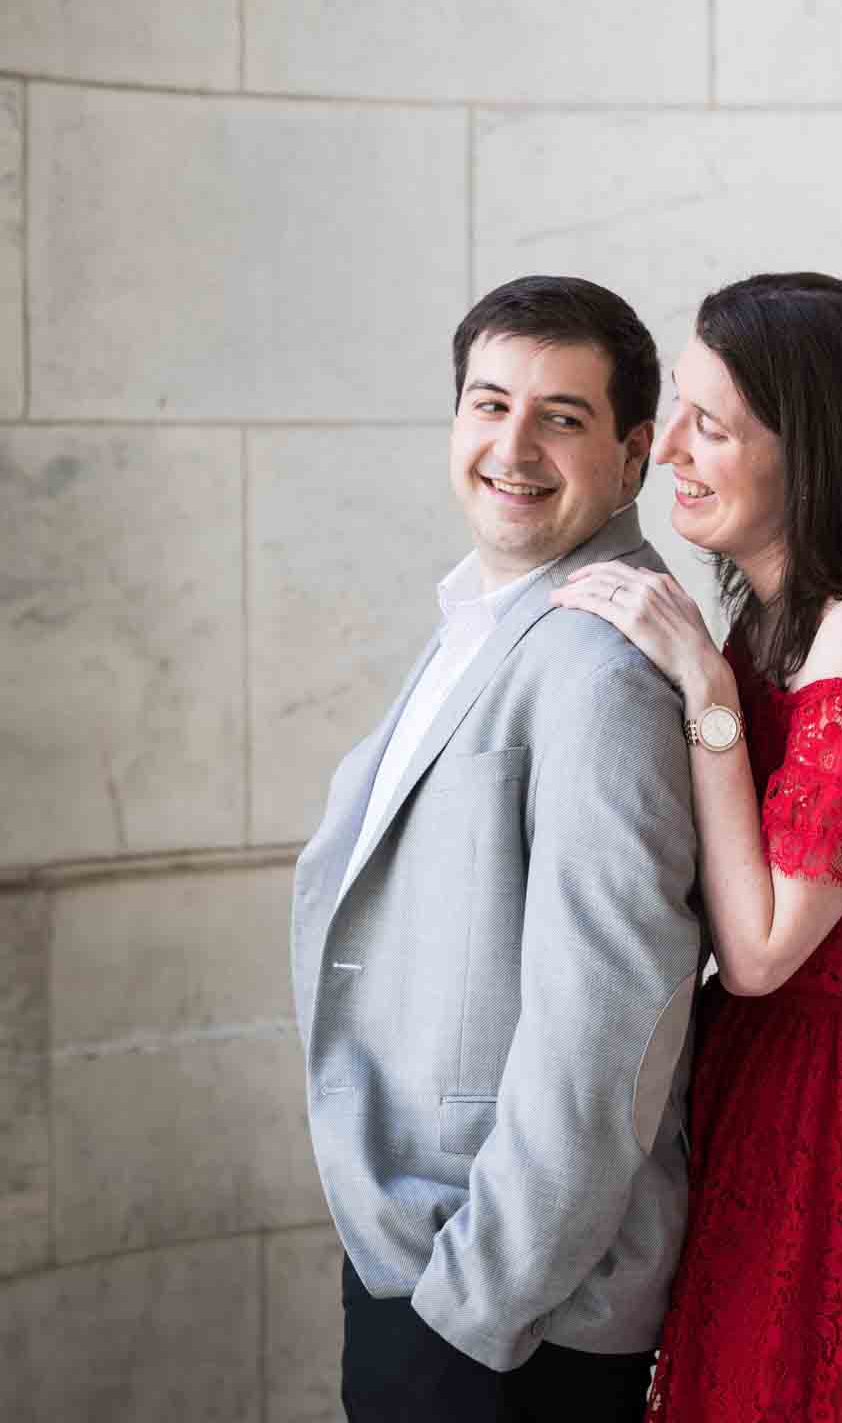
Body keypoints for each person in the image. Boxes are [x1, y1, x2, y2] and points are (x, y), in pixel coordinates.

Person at [553, 271, 842, 1422]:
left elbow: (762, 950)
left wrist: (707, 688)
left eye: (711, 426)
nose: (671, 451)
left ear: (809, 449)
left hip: (837, 1107)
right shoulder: (784, 611)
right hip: (771, 1081)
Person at [291, 276, 703, 1423]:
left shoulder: (602, 666)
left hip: (509, 1309)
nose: (512, 445)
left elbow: (611, 1021)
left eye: (561, 417)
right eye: (489, 403)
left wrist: (475, 1299)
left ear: (630, 457)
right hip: (428, 1259)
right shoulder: (493, 613)